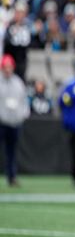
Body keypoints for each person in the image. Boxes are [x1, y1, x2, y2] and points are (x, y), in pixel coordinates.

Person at [0, 54, 29, 187]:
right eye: (5, 67)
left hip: (14, 122)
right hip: (1, 121)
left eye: (9, 67)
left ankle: (12, 177)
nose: (7, 69)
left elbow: (24, 100)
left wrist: (23, 114)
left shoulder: (18, 82)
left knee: (12, 151)